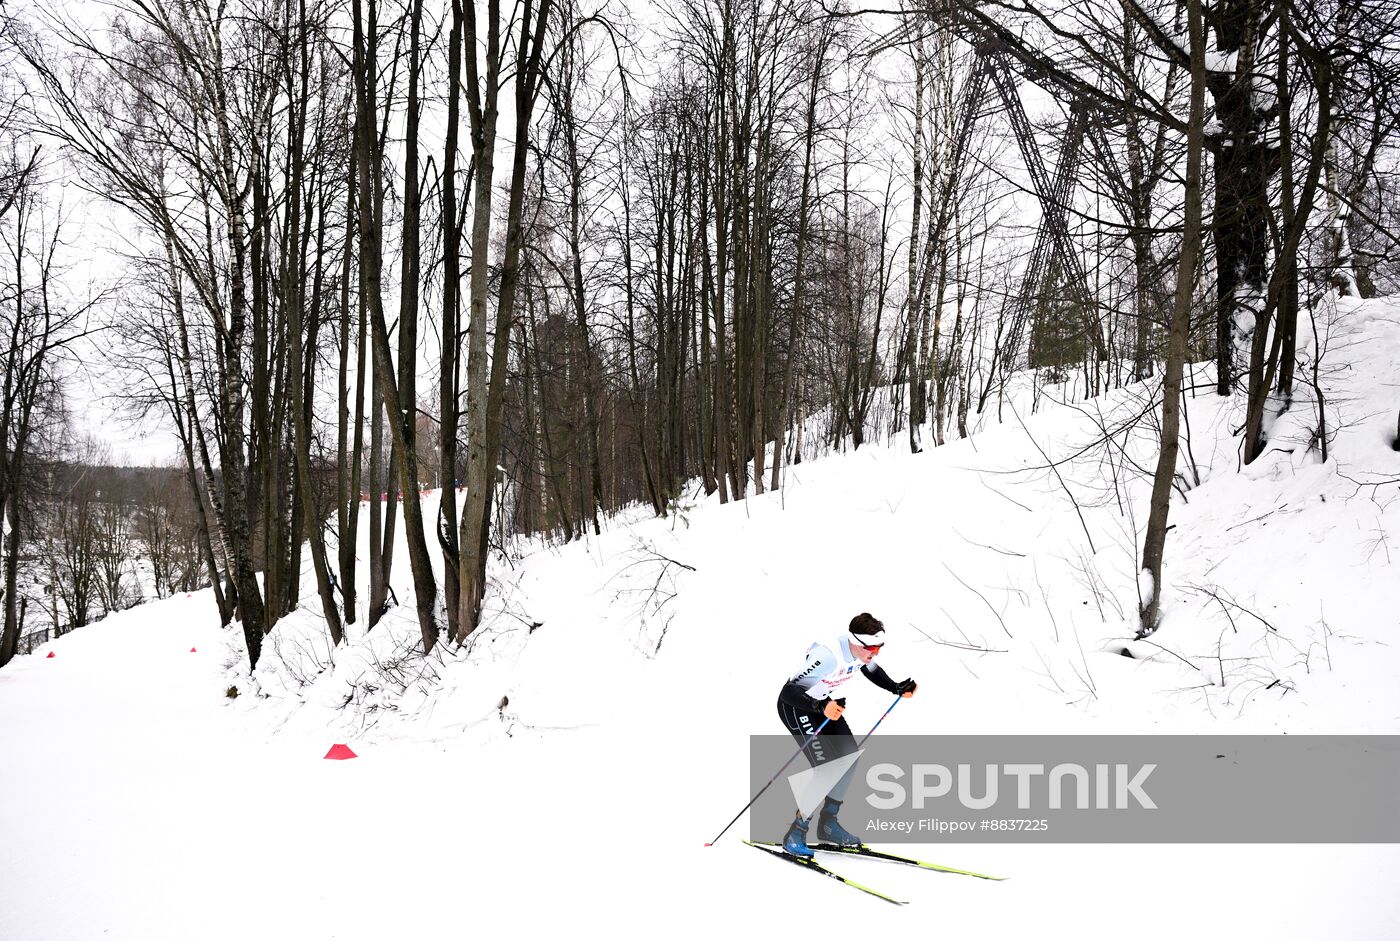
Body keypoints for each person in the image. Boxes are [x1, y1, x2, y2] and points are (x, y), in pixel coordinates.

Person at [775, 613, 917, 858]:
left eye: (879, 647)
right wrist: (820, 707)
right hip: (798, 708)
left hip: (825, 705)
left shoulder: (861, 652)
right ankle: (796, 833)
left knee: (849, 757)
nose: (876, 653)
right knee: (826, 768)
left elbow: (870, 669)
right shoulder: (829, 657)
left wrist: (895, 687)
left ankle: (828, 824)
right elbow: (788, 691)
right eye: (872, 648)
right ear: (855, 642)